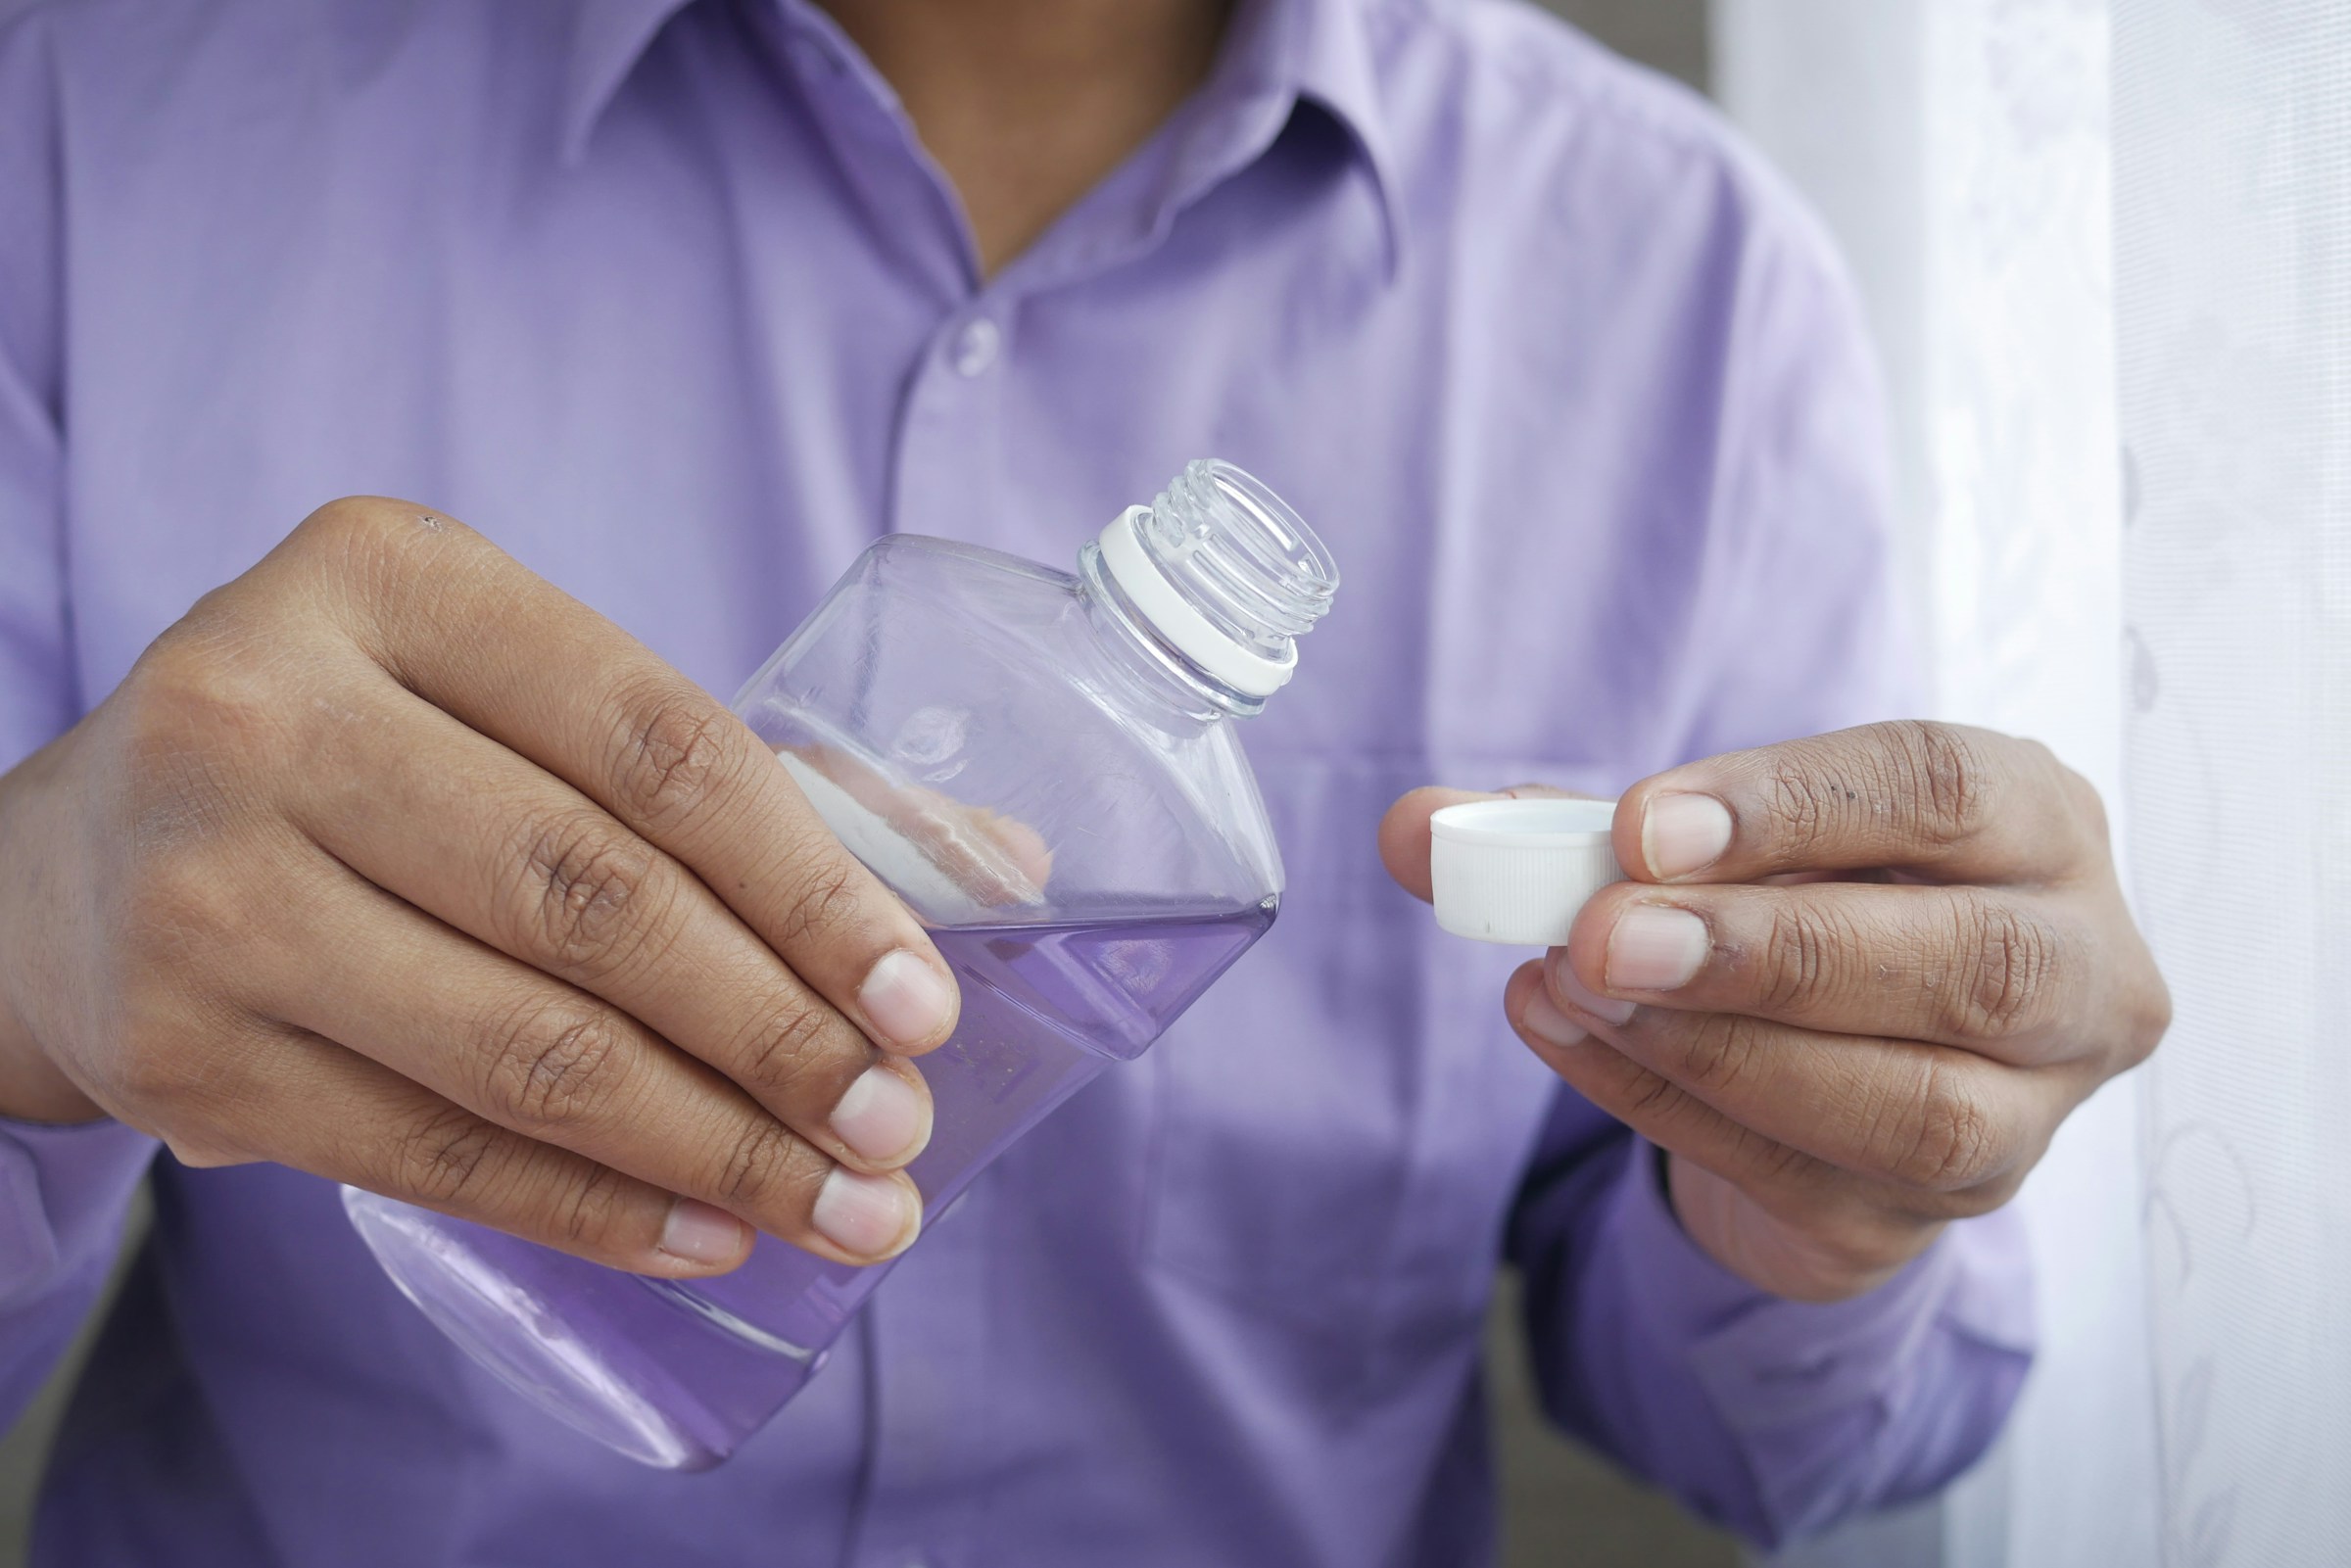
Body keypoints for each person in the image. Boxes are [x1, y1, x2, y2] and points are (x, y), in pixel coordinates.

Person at [0, 0, 2169, 1562]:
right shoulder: (93, 106)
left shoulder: (1687, 297)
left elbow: (1771, 1445)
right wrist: (23, 975)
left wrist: (1823, 1192)